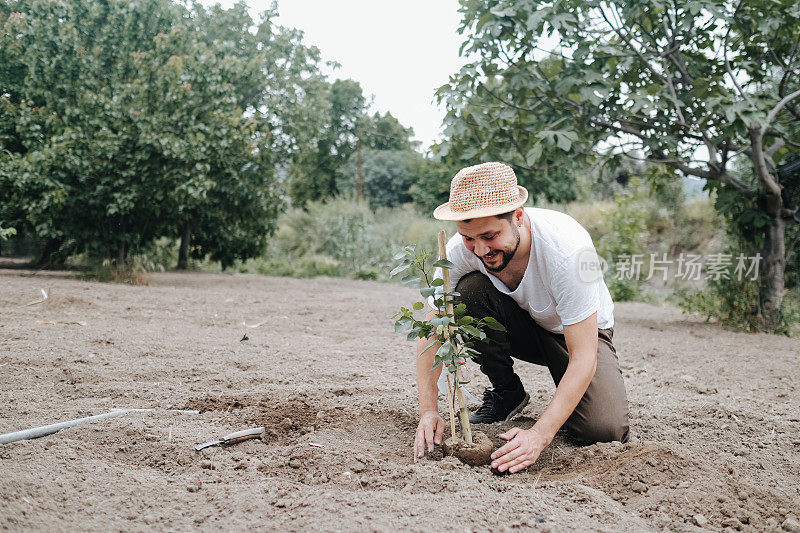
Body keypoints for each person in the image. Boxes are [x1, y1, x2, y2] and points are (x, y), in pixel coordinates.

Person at [413, 162, 629, 474]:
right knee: (468, 290)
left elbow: (583, 356)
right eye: (468, 238)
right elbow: (432, 326)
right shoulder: (462, 248)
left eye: (490, 235)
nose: (479, 249)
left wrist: (539, 434)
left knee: (604, 430)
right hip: (522, 324)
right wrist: (428, 410)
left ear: (518, 215)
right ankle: (507, 392)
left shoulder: (570, 252)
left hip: (573, 335)